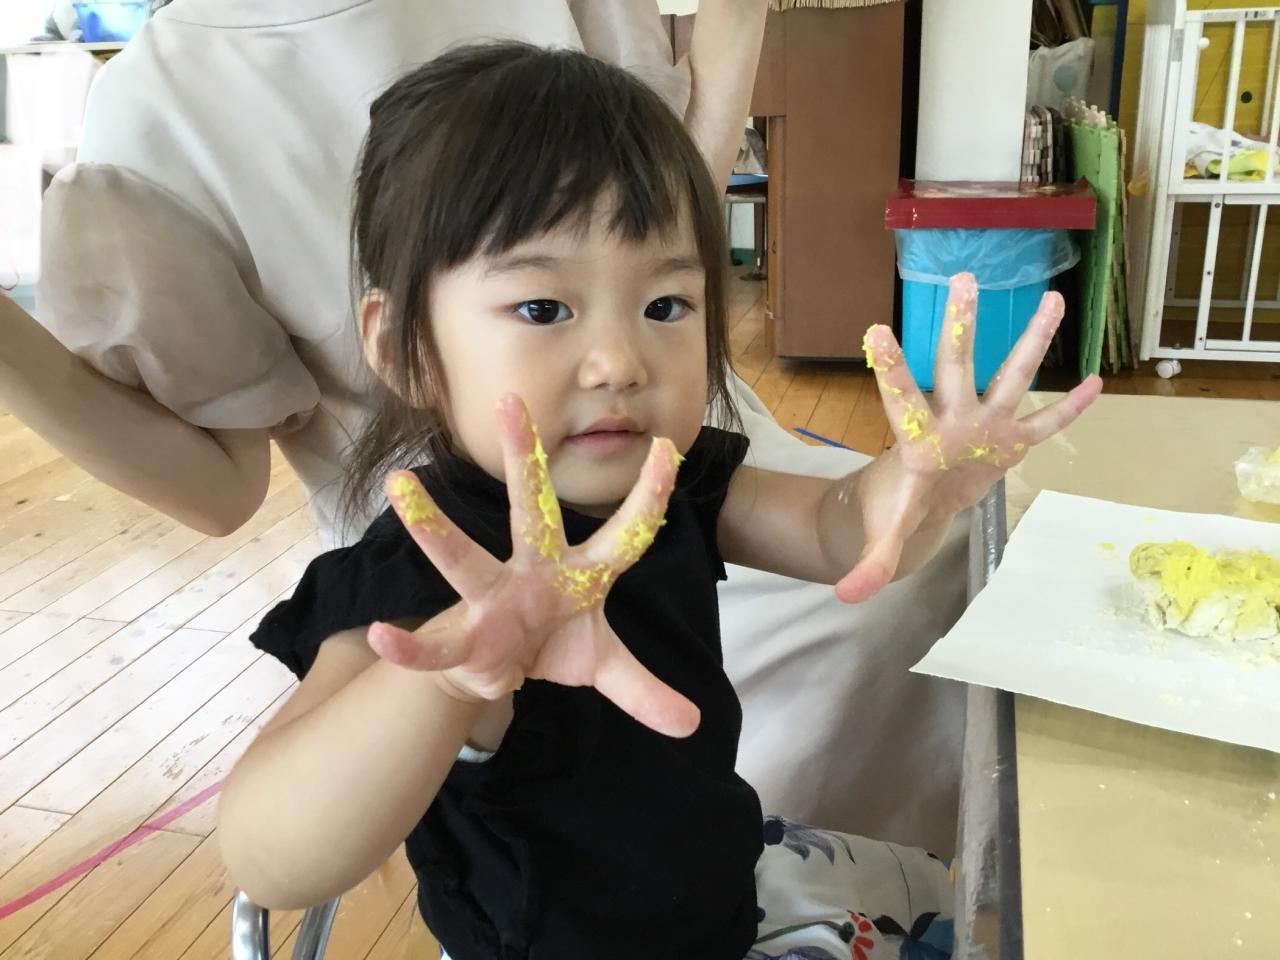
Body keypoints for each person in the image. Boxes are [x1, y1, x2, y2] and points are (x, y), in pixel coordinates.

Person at [217, 44, 1101, 959]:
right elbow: (270, 858)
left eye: (665, 305)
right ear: (406, 348)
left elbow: (836, 533)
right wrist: (450, 677)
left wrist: (916, 489)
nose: (620, 363)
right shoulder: (425, 570)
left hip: (725, 901)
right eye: (544, 309)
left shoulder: (668, 482)